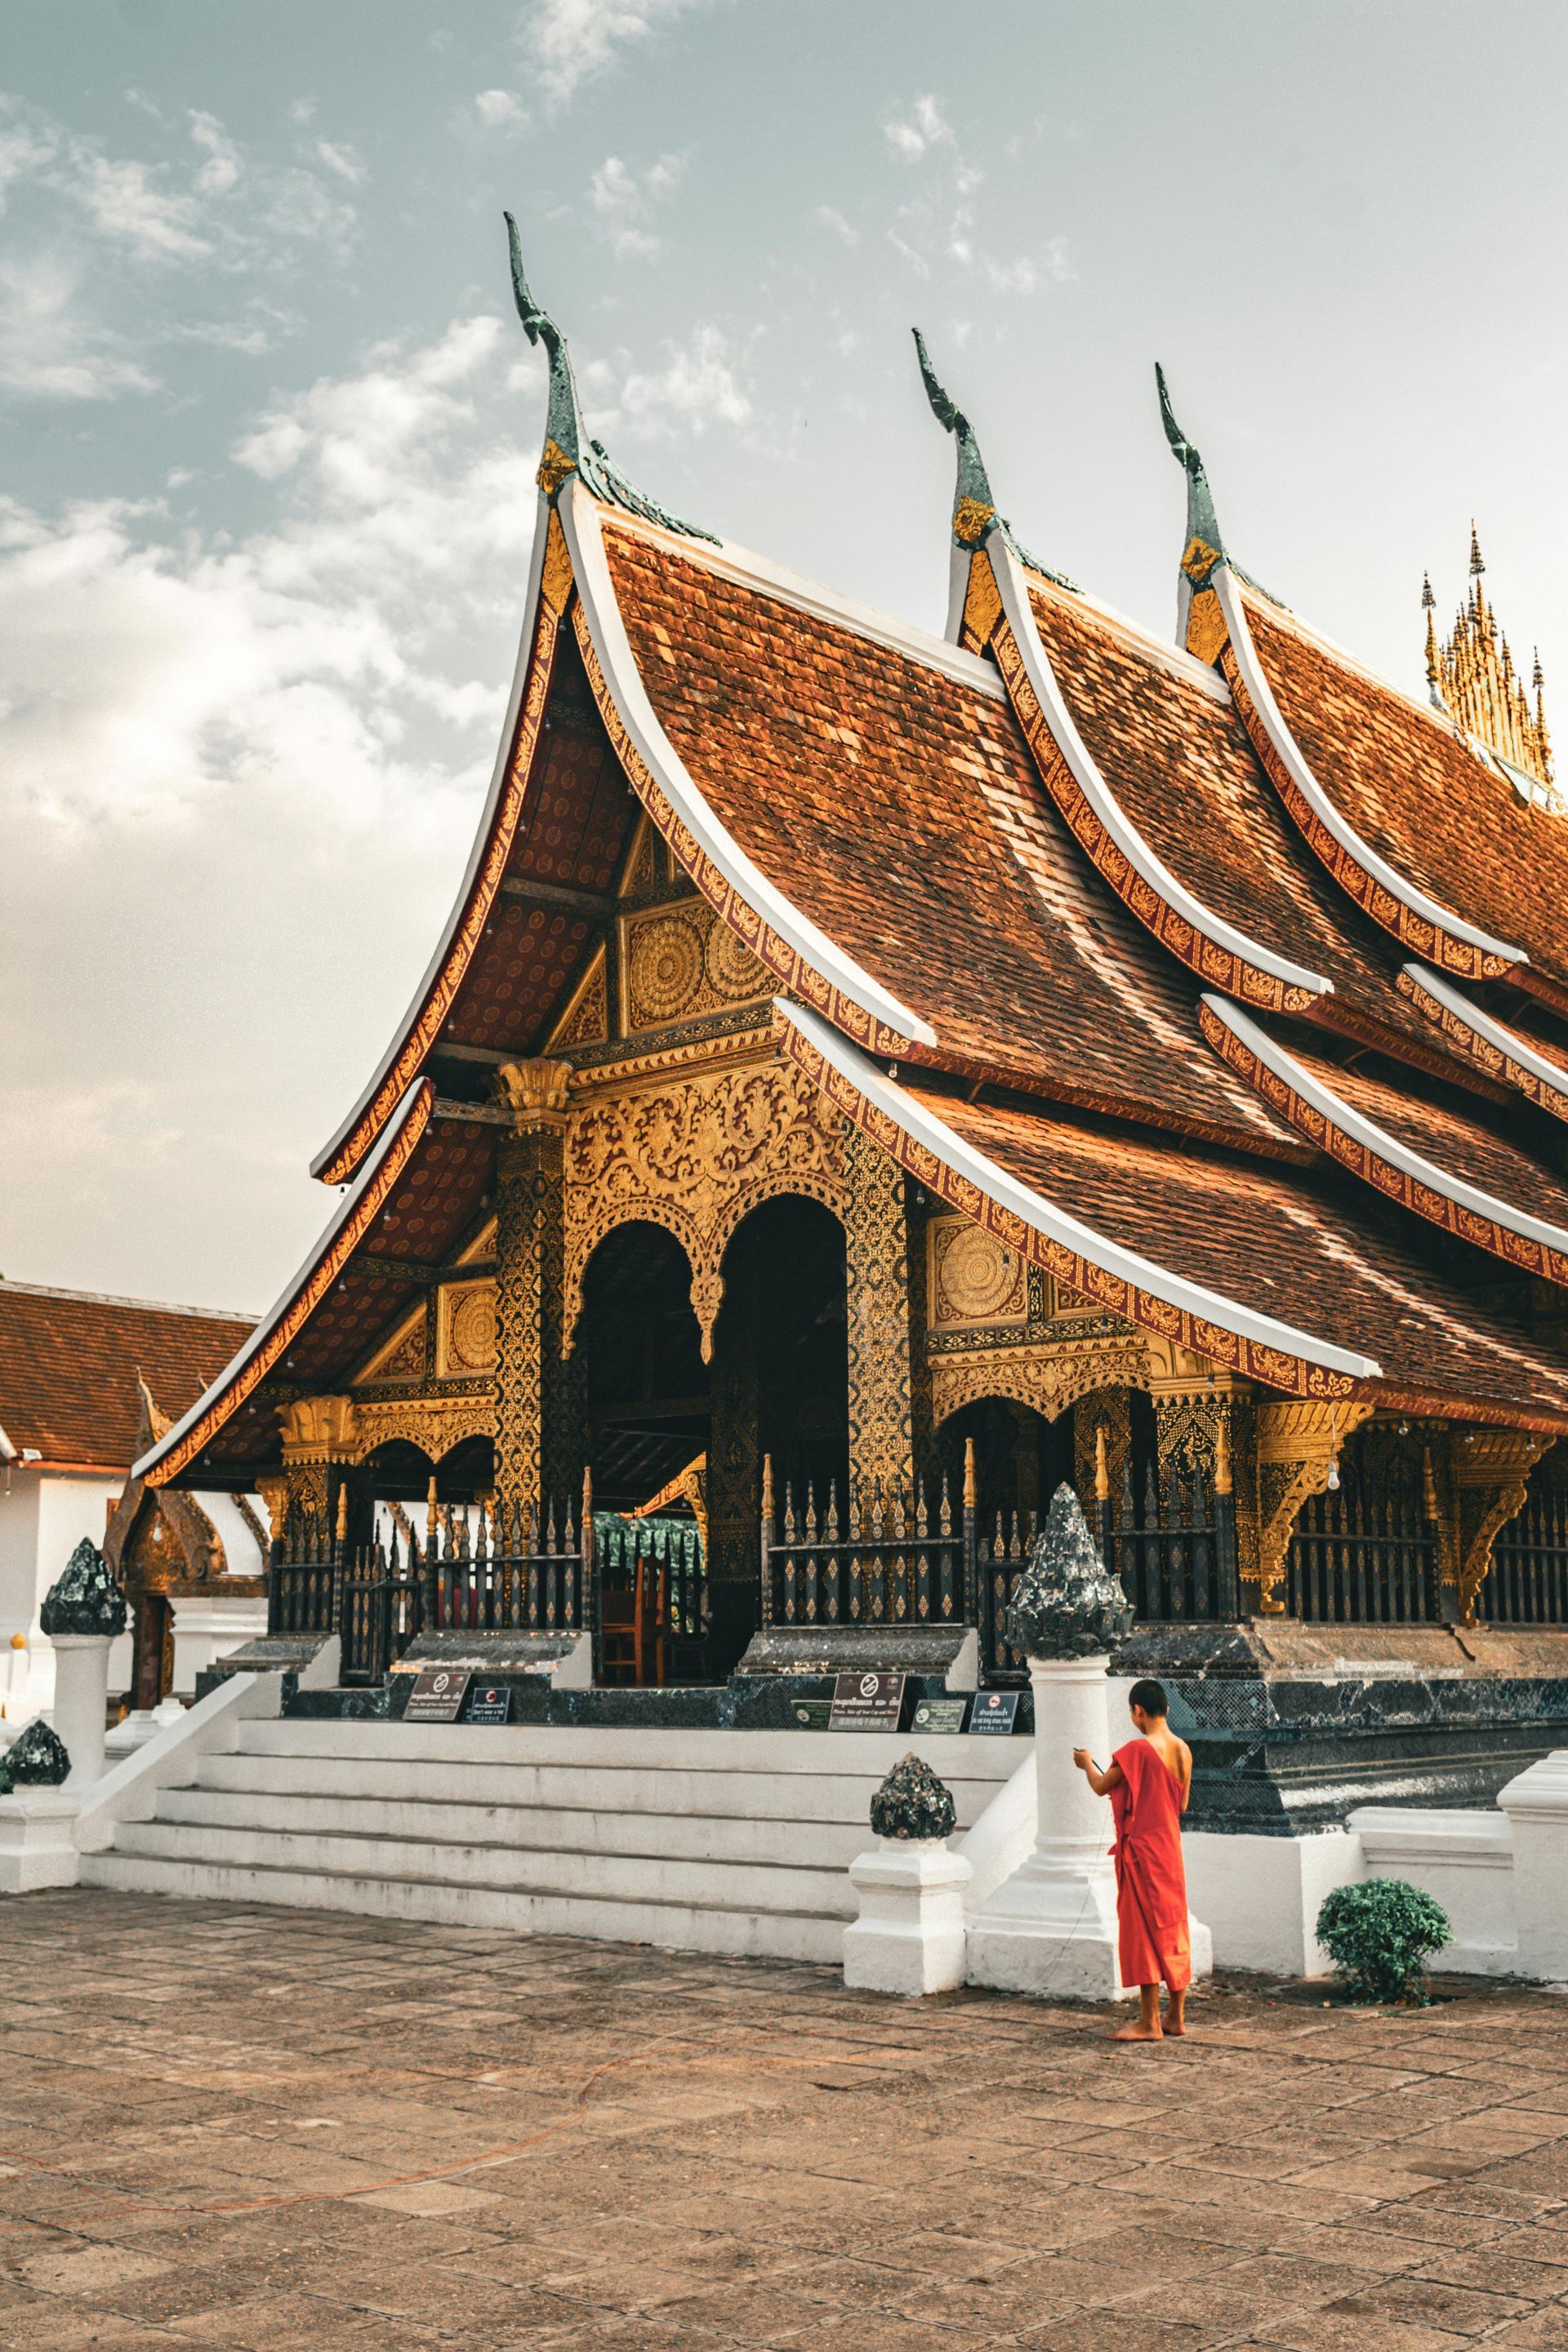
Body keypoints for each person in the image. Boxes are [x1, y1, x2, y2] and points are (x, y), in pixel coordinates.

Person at [1071, 1678, 1192, 2041]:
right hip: (1170, 1849)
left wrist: (1084, 1764)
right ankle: (1177, 2017)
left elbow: (1099, 1786)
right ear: (1167, 1709)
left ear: (1138, 1711)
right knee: (1173, 1927)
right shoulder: (1183, 1749)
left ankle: (1149, 2022)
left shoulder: (1137, 1751)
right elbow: (1181, 1804)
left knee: (1141, 1932)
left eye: (1133, 1713)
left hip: (1141, 1852)